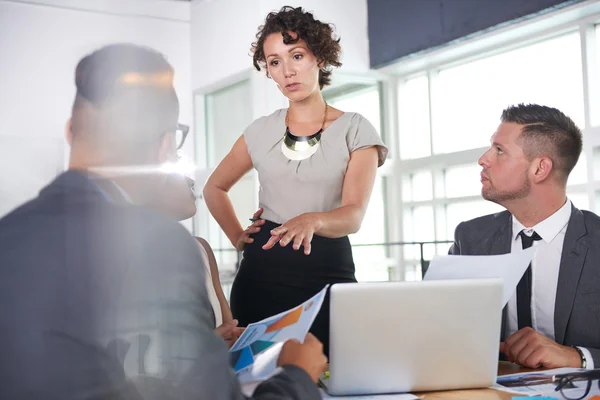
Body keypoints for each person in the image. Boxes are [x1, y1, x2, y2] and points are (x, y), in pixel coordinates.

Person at [0, 43, 326, 399]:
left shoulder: (10, 233)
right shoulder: (158, 243)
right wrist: (298, 374)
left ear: (70, 131)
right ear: (165, 146)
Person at [203, 6, 388, 356]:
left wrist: (312, 220)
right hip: (260, 277)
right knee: (254, 382)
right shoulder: (259, 131)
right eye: (274, 62)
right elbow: (214, 187)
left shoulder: (355, 128)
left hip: (327, 276)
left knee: (333, 374)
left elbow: (353, 215)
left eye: (297, 55)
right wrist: (238, 238)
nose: (287, 71)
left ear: (319, 58)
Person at [449, 103, 600, 369]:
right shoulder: (470, 238)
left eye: (499, 151)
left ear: (540, 169)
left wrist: (576, 357)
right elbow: (440, 329)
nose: (483, 159)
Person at [147, 171, 241, 345]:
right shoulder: (130, 257)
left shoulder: (202, 250)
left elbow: (229, 332)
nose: (190, 180)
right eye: (175, 172)